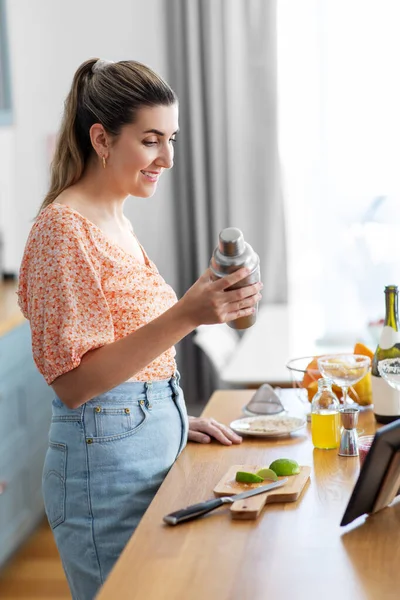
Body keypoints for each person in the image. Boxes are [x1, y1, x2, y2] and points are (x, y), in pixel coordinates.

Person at [17, 58, 262, 600]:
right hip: (102, 475)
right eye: (151, 141)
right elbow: (74, 383)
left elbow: (128, 358)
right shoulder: (62, 229)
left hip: (144, 443)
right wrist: (187, 314)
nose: (167, 158)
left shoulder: (117, 219)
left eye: (171, 139)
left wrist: (167, 418)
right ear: (102, 139)